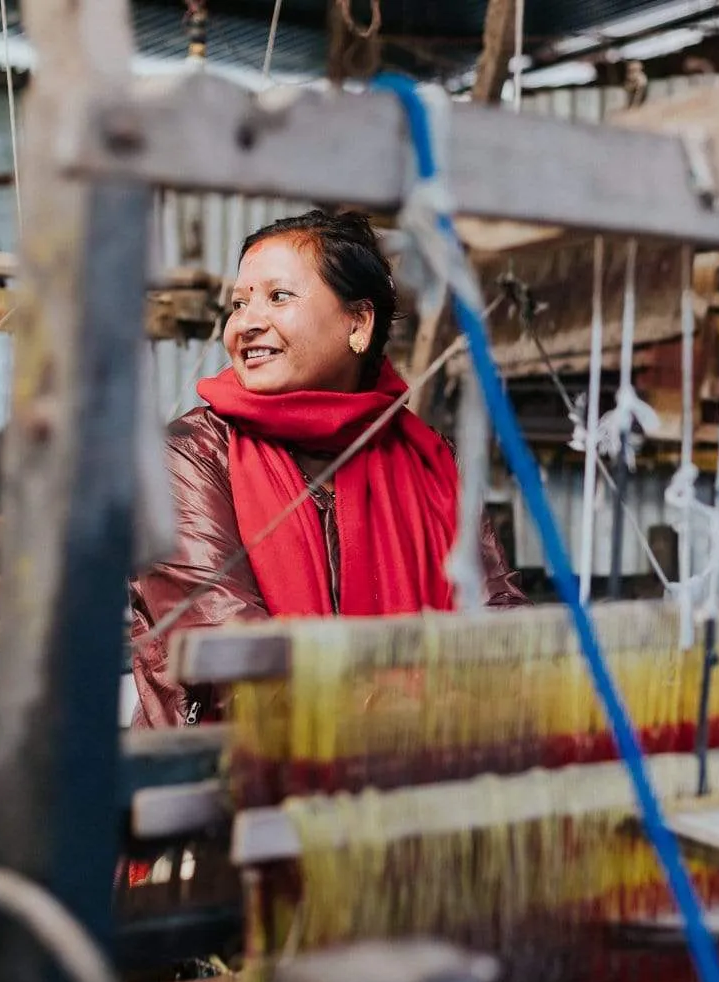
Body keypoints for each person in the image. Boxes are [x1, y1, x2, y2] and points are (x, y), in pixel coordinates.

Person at [129, 210, 526, 728]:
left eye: (278, 297)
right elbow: (233, 647)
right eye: (240, 303)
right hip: (225, 780)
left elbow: (501, 624)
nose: (246, 323)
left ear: (358, 324)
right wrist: (423, 711)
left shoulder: (432, 461)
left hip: (413, 777)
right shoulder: (190, 457)